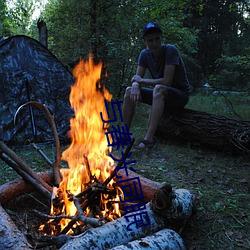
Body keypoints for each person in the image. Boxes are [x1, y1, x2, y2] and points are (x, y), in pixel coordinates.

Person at [122, 21, 191, 149]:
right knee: (128, 91)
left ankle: (149, 138)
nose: (154, 43)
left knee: (159, 88)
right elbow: (137, 78)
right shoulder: (144, 54)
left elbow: (166, 81)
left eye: (157, 39)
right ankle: (125, 134)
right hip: (160, 95)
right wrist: (136, 85)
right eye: (150, 40)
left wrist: (140, 81)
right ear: (145, 41)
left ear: (161, 37)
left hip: (179, 95)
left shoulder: (171, 50)